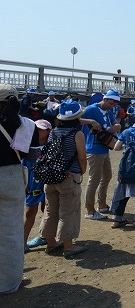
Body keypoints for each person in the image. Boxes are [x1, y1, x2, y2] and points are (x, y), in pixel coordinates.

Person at [39, 100, 89, 258]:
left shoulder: (54, 132)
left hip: (51, 176)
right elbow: (82, 157)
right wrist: (81, 172)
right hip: (69, 177)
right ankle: (68, 246)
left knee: (50, 211)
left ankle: (51, 243)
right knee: (68, 212)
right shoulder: (77, 134)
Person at [0, 84, 37, 294]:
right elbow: (31, 155)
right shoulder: (27, 125)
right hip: (12, 178)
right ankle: (8, 282)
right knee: (12, 232)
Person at [82, 89, 121, 220]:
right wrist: (90, 122)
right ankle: (90, 210)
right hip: (94, 148)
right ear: (105, 99)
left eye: (115, 104)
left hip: (105, 147)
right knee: (94, 179)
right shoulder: (91, 109)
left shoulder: (108, 111)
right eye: (111, 103)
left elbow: (114, 122)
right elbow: (76, 119)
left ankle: (102, 204)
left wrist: (116, 125)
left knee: (107, 176)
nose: (112, 106)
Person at [23, 120, 52, 252]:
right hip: (32, 183)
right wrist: (24, 183)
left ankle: (45, 236)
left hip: (48, 182)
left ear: (48, 131)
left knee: (47, 209)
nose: (37, 131)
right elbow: (22, 166)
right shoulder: (26, 145)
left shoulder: (52, 145)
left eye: (41, 129)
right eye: (36, 129)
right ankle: (22, 243)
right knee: (30, 211)